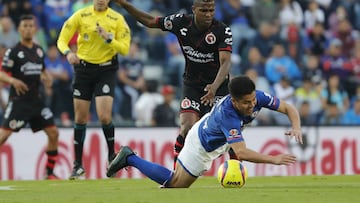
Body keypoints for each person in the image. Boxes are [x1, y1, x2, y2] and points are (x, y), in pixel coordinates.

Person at [106, 75, 303, 188]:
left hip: (214, 131)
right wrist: (273, 159)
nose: (252, 105)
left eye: (253, 100)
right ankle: (129, 158)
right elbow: (241, 151)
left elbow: (288, 108)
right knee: (176, 184)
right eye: (246, 102)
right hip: (202, 145)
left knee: (233, 146)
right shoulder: (229, 115)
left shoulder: (256, 97)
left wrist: (296, 126)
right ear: (234, 101)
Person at [113, 0, 233, 166]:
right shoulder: (180, 22)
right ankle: (177, 168)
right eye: (204, 10)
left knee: (228, 130)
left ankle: (235, 166)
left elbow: (226, 62)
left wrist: (214, 86)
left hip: (218, 86)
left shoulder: (222, 30)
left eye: (211, 10)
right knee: (186, 126)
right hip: (192, 84)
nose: (208, 15)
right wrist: (124, 4)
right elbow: (150, 21)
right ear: (194, 10)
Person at [57, 0, 131, 179]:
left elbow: (125, 49)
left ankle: (112, 156)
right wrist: (68, 53)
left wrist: (109, 38)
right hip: (83, 69)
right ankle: (77, 165)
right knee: (80, 117)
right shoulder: (81, 15)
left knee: (104, 116)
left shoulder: (117, 18)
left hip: (106, 70)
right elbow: (62, 40)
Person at [0, 15, 60, 180]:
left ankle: (49, 173)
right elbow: (1, 73)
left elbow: (41, 70)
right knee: (3, 137)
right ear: (19, 29)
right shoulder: (13, 52)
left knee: (53, 133)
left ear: (34, 29)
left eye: (30, 26)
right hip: (19, 102)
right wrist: (13, 80)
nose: (27, 28)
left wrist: (46, 78)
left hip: (36, 101)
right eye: (24, 26)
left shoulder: (39, 50)